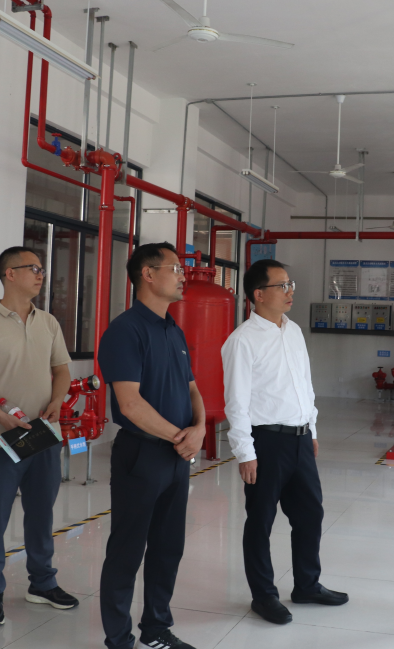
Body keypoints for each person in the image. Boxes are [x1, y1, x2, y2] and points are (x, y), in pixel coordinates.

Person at [221, 259, 348, 626]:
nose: (290, 291)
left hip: (300, 439)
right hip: (266, 443)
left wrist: (313, 431)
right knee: (261, 520)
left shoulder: (293, 331)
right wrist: (245, 453)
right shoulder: (242, 341)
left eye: (290, 284)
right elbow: (236, 403)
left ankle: (307, 585)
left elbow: (304, 384)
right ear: (259, 294)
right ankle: (264, 595)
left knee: (310, 514)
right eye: (282, 285)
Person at [0, 246, 77, 626]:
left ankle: (42, 583)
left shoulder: (49, 323)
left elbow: (62, 370)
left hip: (44, 435)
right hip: (2, 440)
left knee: (41, 514)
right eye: (33, 268)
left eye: (41, 269)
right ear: (10, 274)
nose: (41, 274)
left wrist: (57, 400)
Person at [98, 242, 206, 649]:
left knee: (168, 547)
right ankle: (118, 638)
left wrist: (199, 428)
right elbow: (130, 404)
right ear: (147, 274)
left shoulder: (172, 329)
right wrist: (182, 437)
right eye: (175, 268)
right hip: (142, 453)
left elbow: (192, 388)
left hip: (176, 455)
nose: (182, 275)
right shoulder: (125, 331)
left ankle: (156, 628)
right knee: (127, 549)